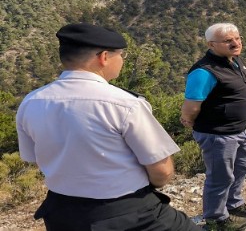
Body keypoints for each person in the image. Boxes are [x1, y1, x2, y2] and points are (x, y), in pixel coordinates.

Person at [16, 23, 200, 231]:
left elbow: (35, 159)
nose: (122, 60)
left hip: (61, 213)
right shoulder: (124, 104)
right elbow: (161, 170)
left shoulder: (31, 102)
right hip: (128, 213)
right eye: (121, 55)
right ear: (104, 57)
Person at [181, 23, 246, 231]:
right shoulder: (204, 71)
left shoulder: (234, 61)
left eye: (238, 38)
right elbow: (191, 105)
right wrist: (189, 120)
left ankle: (233, 204)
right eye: (228, 41)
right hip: (217, 134)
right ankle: (216, 219)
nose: (236, 43)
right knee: (220, 176)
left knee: (241, 168)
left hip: (239, 131)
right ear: (211, 44)